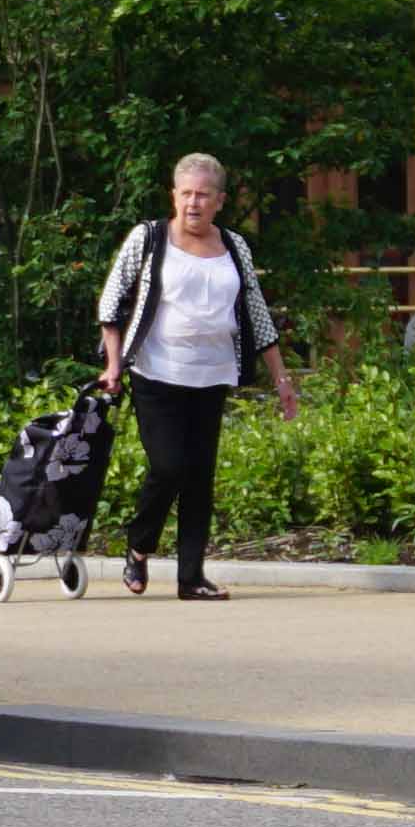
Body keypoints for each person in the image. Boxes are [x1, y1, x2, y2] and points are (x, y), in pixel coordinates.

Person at [96, 152, 301, 599]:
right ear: (173, 195)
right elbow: (111, 304)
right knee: (168, 466)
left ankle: (191, 577)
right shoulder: (148, 239)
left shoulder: (235, 246)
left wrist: (282, 380)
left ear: (220, 201)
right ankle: (139, 544)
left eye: (203, 195)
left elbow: (257, 313)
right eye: (185, 193)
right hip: (157, 371)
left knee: (199, 477)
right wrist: (113, 365)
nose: (193, 203)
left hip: (212, 375)